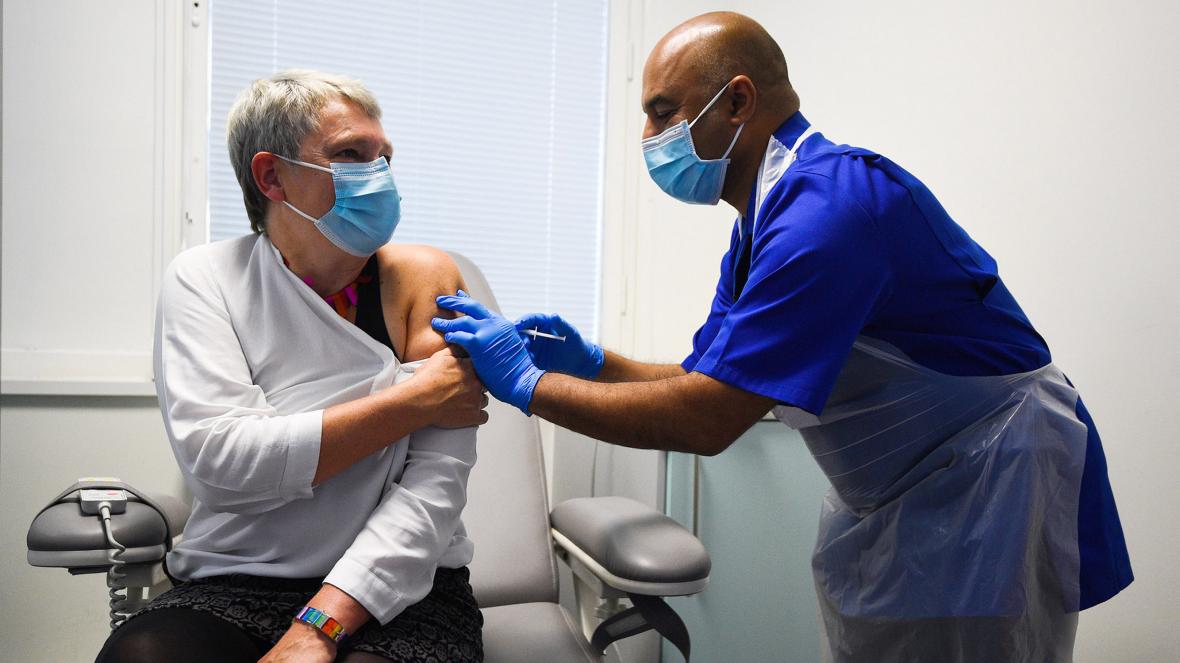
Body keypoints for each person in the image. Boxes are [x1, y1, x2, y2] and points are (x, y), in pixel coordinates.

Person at [430, 12, 1133, 663]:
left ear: (737, 101)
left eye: (663, 113)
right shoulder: (766, 219)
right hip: (907, 490)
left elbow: (708, 417)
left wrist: (528, 384)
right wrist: (593, 361)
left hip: (985, 486)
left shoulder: (827, 215)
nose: (649, 140)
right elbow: (705, 377)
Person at [96, 70, 487, 663]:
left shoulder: (423, 278)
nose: (378, 175)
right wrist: (416, 399)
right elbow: (221, 466)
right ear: (271, 176)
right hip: (235, 577)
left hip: (401, 590)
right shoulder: (206, 279)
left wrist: (321, 625)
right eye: (351, 155)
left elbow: (436, 485)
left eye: (385, 156)